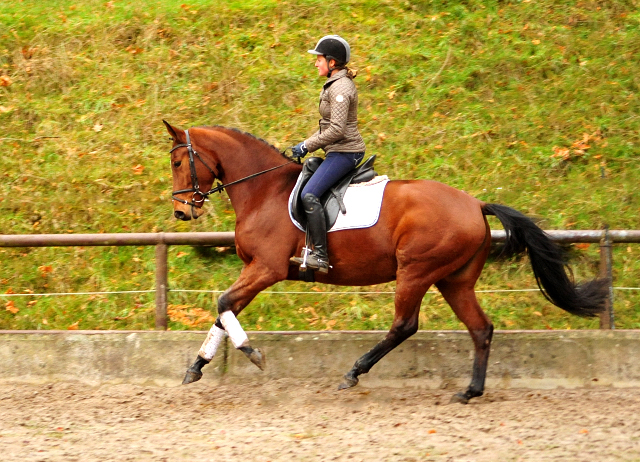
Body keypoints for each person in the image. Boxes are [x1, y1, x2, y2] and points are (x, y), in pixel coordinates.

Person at [289, 35, 366, 274]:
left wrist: (307, 145)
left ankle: (320, 256)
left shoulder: (341, 87)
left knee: (310, 194)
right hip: (335, 150)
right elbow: (327, 126)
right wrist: (305, 145)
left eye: (319, 59)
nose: (316, 64)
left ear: (332, 63)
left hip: (346, 152)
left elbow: (337, 129)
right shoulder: (334, 84)